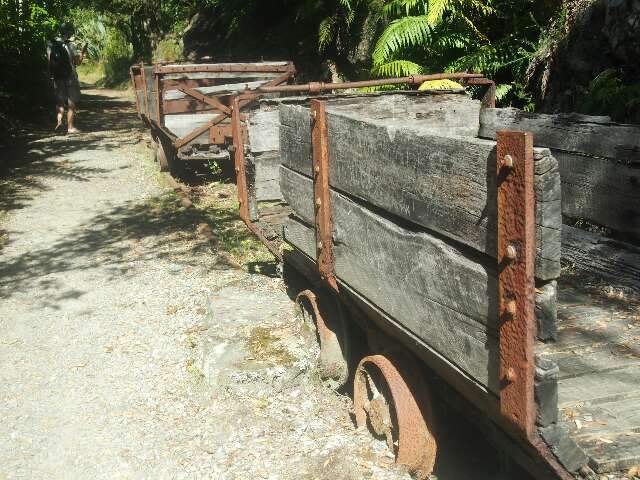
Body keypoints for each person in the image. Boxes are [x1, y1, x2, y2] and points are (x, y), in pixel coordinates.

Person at [47, 22, 87, 134]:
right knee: (71, 102)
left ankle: (59, 121)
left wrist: (50, 75)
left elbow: (49, 60)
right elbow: (77, 62)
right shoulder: (71, 44)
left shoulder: (51, 43)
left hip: (57, 76)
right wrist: (82, 53)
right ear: (69, 32)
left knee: (60, 102)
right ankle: (70, 127)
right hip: (70, 76)